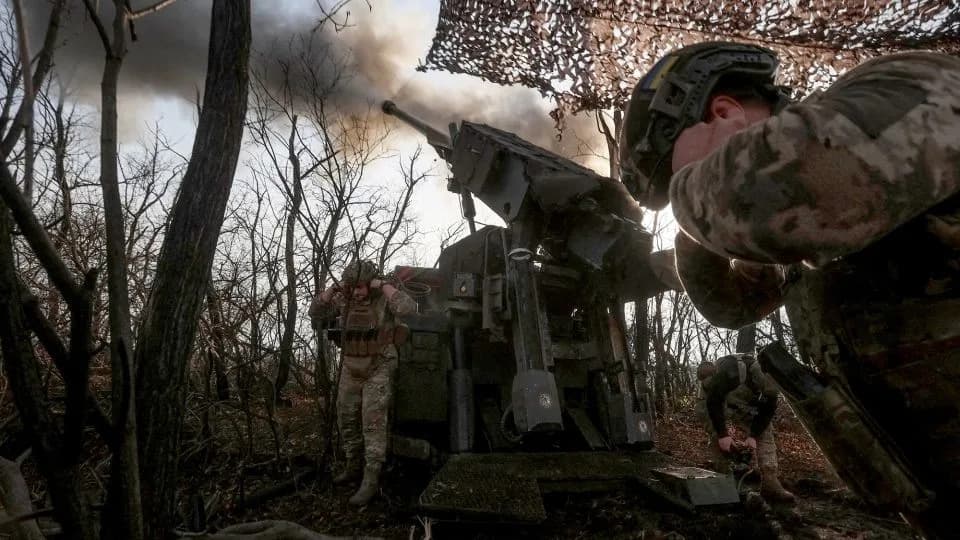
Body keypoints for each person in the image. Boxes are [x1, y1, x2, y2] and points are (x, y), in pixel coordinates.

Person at [620, 41, 960, 538]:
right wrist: (695, 237)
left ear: (724, 112)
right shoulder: (795, 221)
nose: (689, 196)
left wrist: (694, 191)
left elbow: (784, 193)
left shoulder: (904, 82)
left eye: (685, 176)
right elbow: (733, 304)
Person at [309, 259, 417, 506]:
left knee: (373, 423)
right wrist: (333, 290)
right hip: (351, 367)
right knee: (346, 418)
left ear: (370, 284)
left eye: (360, 287)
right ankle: (353, 466)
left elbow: (408, 308)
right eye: (352, 287)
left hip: (378, 366)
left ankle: (371, 477)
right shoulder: (344, 300)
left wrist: (384, 286)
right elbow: (315, 313)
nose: (356, 292)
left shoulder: (383, 300)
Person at [696, 354, 794, 503]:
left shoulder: (772, 384)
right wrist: (723, 434)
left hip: (745, 407)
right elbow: (713, 402)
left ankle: (770, 483)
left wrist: (753, 436)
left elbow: (767, 412)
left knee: (765, 432)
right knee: (719, 438)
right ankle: (725, 481)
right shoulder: (730, 371)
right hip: (715, 404)